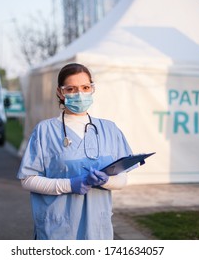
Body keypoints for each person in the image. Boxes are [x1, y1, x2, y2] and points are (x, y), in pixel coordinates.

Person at [17, 63, 133, 240]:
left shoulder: (109, 129)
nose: (80, 94)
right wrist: (69, 185)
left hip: (97, 229)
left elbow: (123, 179)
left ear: (92, 89)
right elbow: (28, 180)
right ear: (60, 92)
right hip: (58, 228)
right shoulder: (45, 131)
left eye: (85, 87)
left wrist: (107, 180)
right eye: (71, 89)